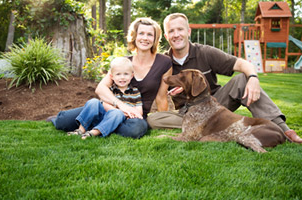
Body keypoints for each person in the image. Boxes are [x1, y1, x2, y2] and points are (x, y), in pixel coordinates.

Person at [147, 13, 302, 144]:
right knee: (153, 120)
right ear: (166, 36)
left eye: (180, 29)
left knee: (243, 79)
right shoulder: (164, 62)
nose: (176, 34)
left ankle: (284, 130)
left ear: (188, 31)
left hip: (215, 105)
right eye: (171, 31)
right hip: (186, 114)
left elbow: (243, 64)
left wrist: (253, 78)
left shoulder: (206, 52)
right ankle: (198, 128)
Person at [48, 17, 172, 139]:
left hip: (133, 117)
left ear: (155, 38)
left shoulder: (164, 62)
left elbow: (161, 97)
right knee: (62, 121)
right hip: (107, 110)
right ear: (134, 36)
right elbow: (101, 88)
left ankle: (97, 126)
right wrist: (120, 106)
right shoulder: (123, 62)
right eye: (141, 33)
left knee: (136, 130)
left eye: (150, 34)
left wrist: (163, 122)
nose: (145, 38)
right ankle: (104, 125)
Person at [66, 57, 143, 139]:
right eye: (118, 74)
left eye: (126, 74)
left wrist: (131, 114)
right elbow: (103, 104)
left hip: (116, 119)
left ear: (132, 76)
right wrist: (120, 109)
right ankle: (81, 130)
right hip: (103, 114)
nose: (122, 77)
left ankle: (93, 133)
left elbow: (139, 111)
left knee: (117, 113)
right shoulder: (110, 90)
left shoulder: (135, 92)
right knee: (93, 102)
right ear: (112, 76)